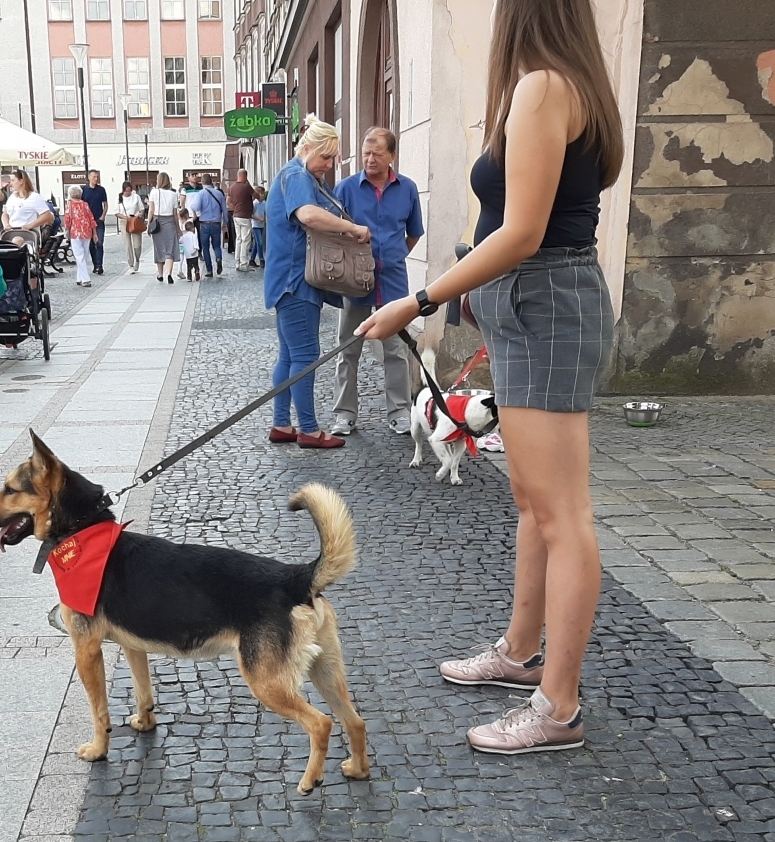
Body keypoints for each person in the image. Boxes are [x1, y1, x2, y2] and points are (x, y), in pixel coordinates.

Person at [360, 0, 622, 755]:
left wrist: (419, 298)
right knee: (532, 500)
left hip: (544, 302)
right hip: (531, 305)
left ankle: (558, 707)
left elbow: (523, 231)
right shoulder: (561, 84)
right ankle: (519, 653)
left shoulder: (545, 87)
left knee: (561, 511)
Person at [264, 119, 368, 450]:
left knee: (289, 355)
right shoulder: (297, 175)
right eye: (325, 156)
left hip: (286, 279)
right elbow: (308, 215)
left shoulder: (295, 173)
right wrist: (352, 229)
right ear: (307, 149)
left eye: (333, 158)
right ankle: (308, 429)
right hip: (297, 280)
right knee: (306, 355)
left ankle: (282, 423)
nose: (329, 165)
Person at [330, 127, 423, 437]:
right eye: (366, 153)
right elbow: (335, 232)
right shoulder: (345, 189)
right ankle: (345, 413)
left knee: (396, 348)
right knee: (348, 346)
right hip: (354, 279)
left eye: (377, 154)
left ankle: (399, 412)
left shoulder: (408, 189)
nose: (369, 159)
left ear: (391, 156)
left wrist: (393, 256)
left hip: (393, 279)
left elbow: (414, 232)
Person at [188, 173, 227, 277]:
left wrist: (191, 206)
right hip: (216, 223)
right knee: (216, 245)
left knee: (205, 247)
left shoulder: (200, 194)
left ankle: (209, 270)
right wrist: (225, 223)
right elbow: (225, 210)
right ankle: (218, 259)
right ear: (211, 181)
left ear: (202, 182)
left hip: (204, 223)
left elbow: (196, 207)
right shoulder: (219, 194)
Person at [3, 171, 54, 250]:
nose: (11, 183)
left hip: (28, 234)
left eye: (13, 180)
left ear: (21, 181)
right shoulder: (12, 197)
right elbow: (5, 213)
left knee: (18, 243)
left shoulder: (35, 197)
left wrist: (31, 225)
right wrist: (6, 224)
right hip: (12, 232)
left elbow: (47, 215)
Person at [148, 172, 182, 283]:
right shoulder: (173, 194)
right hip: (170, 222)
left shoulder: (154, 192)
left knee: (159, 249)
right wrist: (178, 228)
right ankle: (169, 273)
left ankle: (160, 274)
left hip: (157, 221)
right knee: (170, 249)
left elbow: (151, 210)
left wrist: (149, 224)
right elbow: (175, 214)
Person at [65, 184, 96, 287]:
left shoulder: (69, 204)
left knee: (79, 256)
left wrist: (67, 230)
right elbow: (91, 218)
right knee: (84, 255)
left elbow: (67, 219)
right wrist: (94, 232)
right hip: (87, 232)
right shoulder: (85, 204)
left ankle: (86, 279)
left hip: (76, 233)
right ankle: (79, 277)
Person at [228, 168, 256, 271]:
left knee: (238, 239)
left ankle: (237, 262)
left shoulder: (232, 187)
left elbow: (228, 201)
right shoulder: (246, 187)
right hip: (245, 216)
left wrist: (234, 207)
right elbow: (256, 195)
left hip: (236, 215)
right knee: (246, 240)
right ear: (245, 176)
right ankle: (244, 264)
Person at [117, 179, 146, 273]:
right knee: (128, 244)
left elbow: (141, 209)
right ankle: (131, 264)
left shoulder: (136, 197)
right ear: (123, 190)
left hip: (135, 221)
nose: (128, 193)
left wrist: (139, 215)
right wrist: (125, 217)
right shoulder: (119, 198)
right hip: (124, 221)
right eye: (126, 191)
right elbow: (116, 212)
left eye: (130, 191)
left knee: (137, 244)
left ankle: (137, 258)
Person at [84, 169, 108, 275]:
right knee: (91, 244)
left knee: (99, 242)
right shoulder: (84, 190)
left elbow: (105, 204)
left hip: (98, 219)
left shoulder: (101, 190)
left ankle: (99, 265)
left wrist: (103, 215)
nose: (96, 179)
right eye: (94, 177)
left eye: (97, 177)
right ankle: (95, 264)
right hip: (88, 221)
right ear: (89, 177)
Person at [179, 217, 201, 282]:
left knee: (189, 266)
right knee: (196, 265)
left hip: (188, 255)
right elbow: (195, 244)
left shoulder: (184, 236)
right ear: (193, 228)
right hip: (194, 254)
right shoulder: (193, 236)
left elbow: (180, 241)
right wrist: (196, 249)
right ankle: (197, 272)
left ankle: (189, 277)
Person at [250, 185, 267, 267]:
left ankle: (252, 259)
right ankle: (261, 259)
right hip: (255, 225)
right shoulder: (254, 204)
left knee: (257, 243)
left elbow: (266, 213)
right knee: (260, 242)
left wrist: (265, 218)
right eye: (262, 193)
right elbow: (251, 214)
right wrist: (258, 219)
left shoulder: (264, 203)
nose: (263, 195)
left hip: (262, 225)